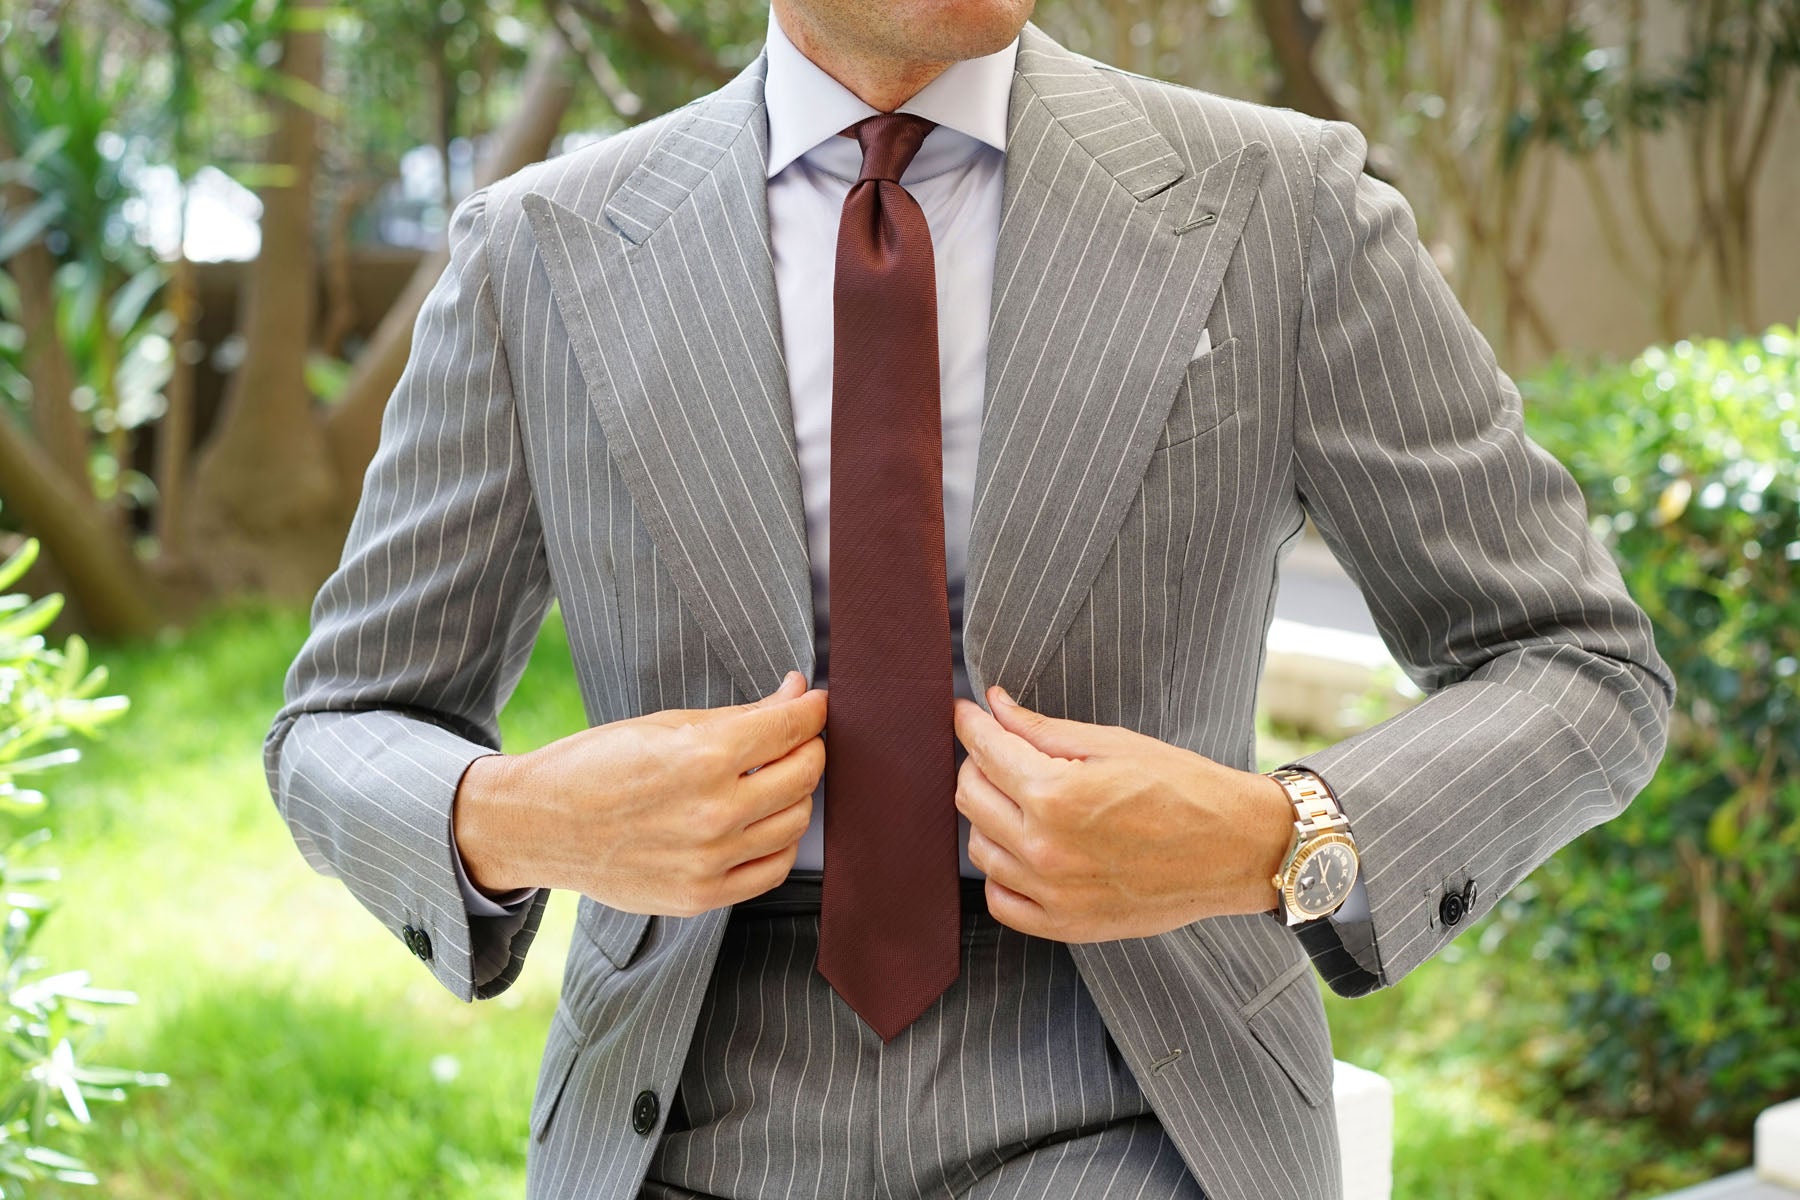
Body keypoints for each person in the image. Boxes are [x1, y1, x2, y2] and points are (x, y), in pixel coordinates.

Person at [262, 2, 1674, 1197]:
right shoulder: (538, 255)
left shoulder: (1281, 210)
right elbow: (340, 723)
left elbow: (1577, 663)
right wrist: (517, 819)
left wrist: (1271, 836)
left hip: (1142, 1104)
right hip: (683, 1110)